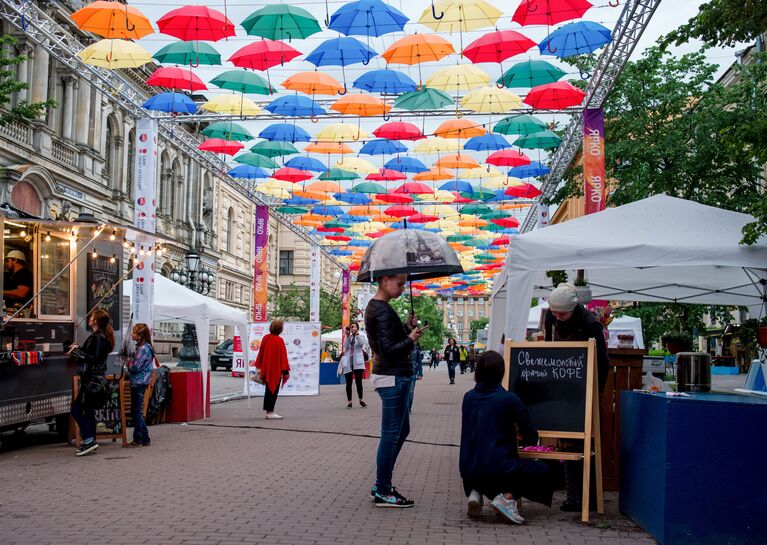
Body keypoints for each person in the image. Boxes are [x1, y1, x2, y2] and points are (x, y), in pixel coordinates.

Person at [460, 351, 554, 524]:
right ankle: (506, 498)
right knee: (542, 470)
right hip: (497, 466)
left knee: (486, 464)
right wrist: (525, 442)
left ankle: (476, 492)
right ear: (501, 372)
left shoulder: (468, 398)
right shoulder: (509, 399)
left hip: (469, 468)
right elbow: (529, 433)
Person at [543, 282, 609, 512]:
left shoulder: (592, 325)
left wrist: (594, 395)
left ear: (573, 309)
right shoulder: (551, 318)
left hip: (586, 389)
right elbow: (549, 351)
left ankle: (589, 498)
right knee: (567, 442)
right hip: (562, 388)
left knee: (586, 443)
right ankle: (573, 498)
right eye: (554, 313)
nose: (557, 317)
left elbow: (603, 363)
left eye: (561, 313)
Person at [365, 274, 424, 508]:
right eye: (399, 283)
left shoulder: (380, 308)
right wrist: (411, 338)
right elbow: (388, 349)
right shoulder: (381, 309)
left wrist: (405, 327)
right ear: (384, 280)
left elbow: (385, 340)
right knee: (391, 434)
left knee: (401, 430)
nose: (401, 288)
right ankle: (383, 489)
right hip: (393, 376)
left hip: (392, 375)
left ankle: (382, 483)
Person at [69, 309, 115, 456]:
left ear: (95, 321)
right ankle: (90, 441)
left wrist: (78, 352)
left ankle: (89, 440)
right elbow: (93, 355)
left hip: (92, 379)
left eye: (91, 317)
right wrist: (78, 349)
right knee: (88, 410)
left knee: (76, 409)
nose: (89, 318)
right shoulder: (99, 336)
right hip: (92, 378)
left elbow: (93, 358)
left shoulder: (99, 337)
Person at [256, 319, 291, 420]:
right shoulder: (279, 340)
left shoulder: (265, 338)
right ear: (280, 329)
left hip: (267, 369)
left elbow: (261, 353)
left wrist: (260, 366)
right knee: (273, 391)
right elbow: (283, 357)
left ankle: (269, 411)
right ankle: (270, 412)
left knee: (268, 390)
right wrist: (285, 371)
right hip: (276, 370)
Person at [127, 323, 154, 447]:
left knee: (136, 411)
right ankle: (144, 438)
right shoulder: (146, 347)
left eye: (134, 332)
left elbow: (136, 367)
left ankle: (139, 439)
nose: (132, 334)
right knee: (137, 411)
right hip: (141, 381)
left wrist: (128, 364)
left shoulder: (143, 349)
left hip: (138, 381)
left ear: (140, 336)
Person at [338, 322, 368, 408]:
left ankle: (361, 400)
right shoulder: (348, 337)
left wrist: (357, 334)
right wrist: (347, 336)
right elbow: (346, 347)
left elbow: (361, 343)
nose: (353, 329)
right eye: (352, 327)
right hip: (348, 362)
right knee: (348, 383)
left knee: (359, 382)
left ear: (357, 328)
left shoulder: (360, 336)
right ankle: (349, 402)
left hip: (358, 363)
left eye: (354, 327)